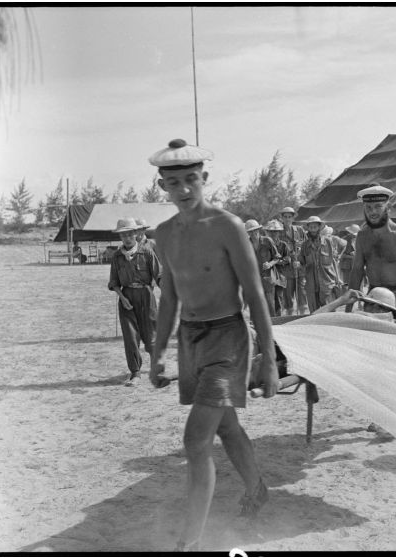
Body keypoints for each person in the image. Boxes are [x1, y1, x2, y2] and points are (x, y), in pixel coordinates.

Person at [147, 139, 278, 552]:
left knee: (195, 440)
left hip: (229, 338)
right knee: (225, 425)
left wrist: (269, 360)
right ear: (162, 186)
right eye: (173, 183)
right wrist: (158, 354)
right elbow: (168, 297)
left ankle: (191, 542)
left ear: (205, 178)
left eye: (191, 180)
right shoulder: (163, 234)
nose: (183, 190)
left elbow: (256, 295)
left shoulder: (228, 226)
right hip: (190, 339)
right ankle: (257, 487)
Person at [347, 184, 396, 334]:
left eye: (378, 206)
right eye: (368, 208)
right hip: (373, 302)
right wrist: (348, 309)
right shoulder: (362, 237)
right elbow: (356, 271)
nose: (373, 212)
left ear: (388, 207)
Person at [108, 218, 162, 386]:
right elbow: (114, 282)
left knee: (151, 335)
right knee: (130, 337)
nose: (127, 238)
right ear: (120, 237)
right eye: (123, 235)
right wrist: (122, 297)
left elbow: (159, 275)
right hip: (126, 299)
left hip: (146, 295)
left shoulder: (146, 252)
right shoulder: (117, 257)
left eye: (130, 234)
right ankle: (135, 373)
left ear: (136, 234)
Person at [298, 215, 338, 313]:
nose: (313, 230)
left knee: (330, 313)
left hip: (326, 282)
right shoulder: (304, 246)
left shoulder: (328, 242)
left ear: (319, 227)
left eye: (315, 227)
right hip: (311, 284)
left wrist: (337, 279)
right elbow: (302, 263)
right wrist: (298, 264)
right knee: (314, 314)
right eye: (311, 227)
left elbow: (333, 261)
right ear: (308, 228)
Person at [245, 218, 282, 317]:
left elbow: (277, 257)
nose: (254, 233)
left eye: (255, 230)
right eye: (251, 231)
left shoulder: (267, 240)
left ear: (259, 229)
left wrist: (270, 264)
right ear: (248, 233)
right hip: (254, 279)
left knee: (270, 305)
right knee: (256, 306)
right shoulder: (246, 244)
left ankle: (275, 328)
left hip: (268, 278)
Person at [280, 207, 308, 315]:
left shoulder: (299, 230)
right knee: (288, 300)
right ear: (281, 218)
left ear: (293, 218)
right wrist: (285, 259)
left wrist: (301, 262)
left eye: (289, 217)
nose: (287, 219)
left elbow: (306, 248)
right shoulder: (278, 232)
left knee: (302, 297)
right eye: (285, 217)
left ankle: (302, 320)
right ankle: (289, 323)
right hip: (286, 271)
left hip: (300, 270)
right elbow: (274, 252)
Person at [264, 219, 290, 317]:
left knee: (278, 298)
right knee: (268, 299)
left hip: (279, 275)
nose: (273, 234)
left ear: (279, 232)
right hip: (267, 276)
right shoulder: (264, 244)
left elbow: (288, 259)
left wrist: (277, 262)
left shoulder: (283, 245)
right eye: (271, 232)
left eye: (276, 231)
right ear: (268, 232)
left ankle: (278, 319)